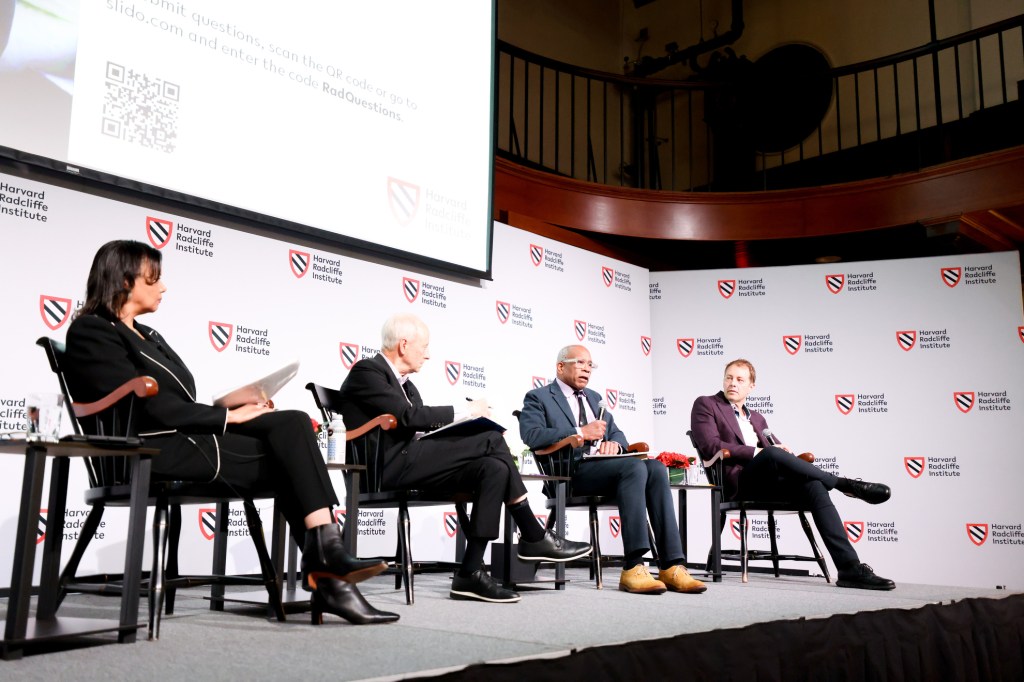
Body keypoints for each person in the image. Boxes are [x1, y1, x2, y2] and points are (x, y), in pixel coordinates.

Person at [63, 240, 399, 625]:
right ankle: (330, 570)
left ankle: (329, 563)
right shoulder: (92, 330)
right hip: (147, 453)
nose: (163, 287)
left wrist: (235, 407)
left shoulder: (149, 335)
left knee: (290, 423)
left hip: (187, 440)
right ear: (125, 280)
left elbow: (179, 398)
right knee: (291, 448)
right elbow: (143, 403)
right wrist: (226, 420)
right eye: (154, 277)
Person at [338, 313, 592, 603]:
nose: (428, 355)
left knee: (493, 467)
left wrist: (457, 428)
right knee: (491, 438)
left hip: (412, 462)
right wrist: (468, 412)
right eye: (424, 347)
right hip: (383, 471)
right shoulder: (367, 371)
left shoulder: (407, 386)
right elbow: (409, 417)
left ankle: (470, 573)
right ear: (404, 345)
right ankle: (533, 534)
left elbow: (415, 427)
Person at [690, 358, 895, 590]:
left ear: (751, 386)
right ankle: (843, 484)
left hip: (769, 483)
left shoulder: (757, 418)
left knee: (814, 487)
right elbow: (710, 447)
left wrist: (780, 450)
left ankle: (849, 567)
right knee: (769, 454)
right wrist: (760, 451)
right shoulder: (706, 404)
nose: (733, 384)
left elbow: (774, 452)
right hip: (738, 483)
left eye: (740, 379)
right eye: (729, 378)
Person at [519, 344, 707, 595]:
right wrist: (579, 433)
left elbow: (618, 435)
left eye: (590, 365)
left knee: (655, 468)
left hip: (607, 469)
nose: (587, 368)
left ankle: (672, 565)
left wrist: (615, 445)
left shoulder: (595, 398)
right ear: (560, 366)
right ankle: (633, 566)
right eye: (580, 362)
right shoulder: (539, 396)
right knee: (635, 468)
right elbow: (531, 435)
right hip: (569, 473)